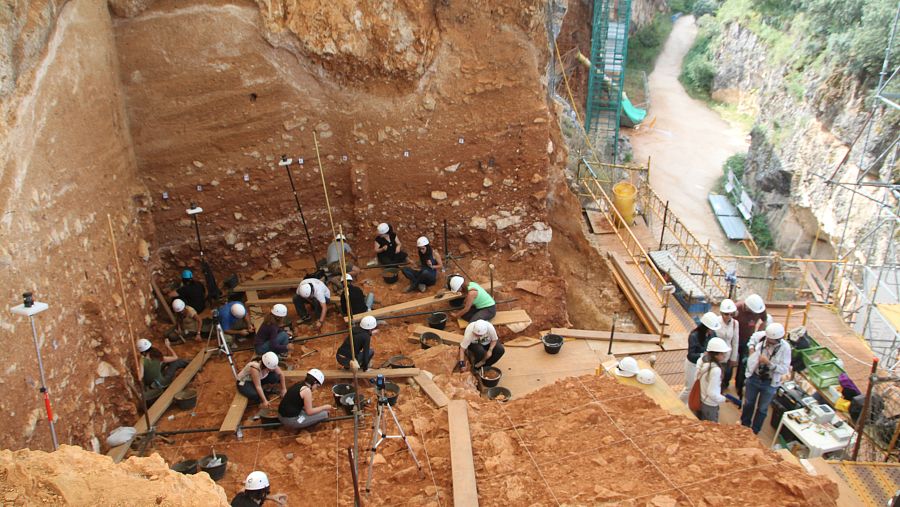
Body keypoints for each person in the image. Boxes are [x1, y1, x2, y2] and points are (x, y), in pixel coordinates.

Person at [741, 322, 791, 434]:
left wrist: (769, 364)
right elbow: (752, 340)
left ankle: (755, 430)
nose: (768, 342)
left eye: (771, 341)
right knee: (749, 403)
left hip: (769, 383)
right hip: (754, 377)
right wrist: (752, 349)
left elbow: (784, 369)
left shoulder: (785, 349)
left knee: (762, 409)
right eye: (768, 339)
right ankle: (744, 426)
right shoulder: (763, 336)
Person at [679, 312, 721, 403]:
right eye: (710, 329)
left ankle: (690, 404)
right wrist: (703, 354)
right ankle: (680, 402)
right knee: (689, 388)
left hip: (703, 364)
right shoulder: (694, 336)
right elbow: (691, 354)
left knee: (699, 387)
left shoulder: (712, 334)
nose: (712, 331)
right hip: (692, 365)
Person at [734, 294, 768, 399]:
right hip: (735, 339)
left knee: (743, 363)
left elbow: (764, 320)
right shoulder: (737, 308)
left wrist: (758, 334)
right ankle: (724, 382)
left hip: (748, 340)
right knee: (730, 362)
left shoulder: (760, 309)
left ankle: (738, 385)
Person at [696, 337, 731, 422]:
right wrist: (723, 399)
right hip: (710, 405)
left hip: (701, 400)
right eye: (722, 354)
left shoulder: (702, 360)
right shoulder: (716, 370)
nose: (724, 356)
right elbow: (711, 392)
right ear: (716, 354)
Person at [716, 299, 740, 391]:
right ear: (721, 313)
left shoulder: (735, 324)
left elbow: (735, 341)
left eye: (731, 314)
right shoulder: (716, 322)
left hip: (727, 356)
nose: (729, 316)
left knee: (726, 375)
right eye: (726, 314)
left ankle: (722, 390)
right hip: (717, 355)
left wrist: (733, 358)